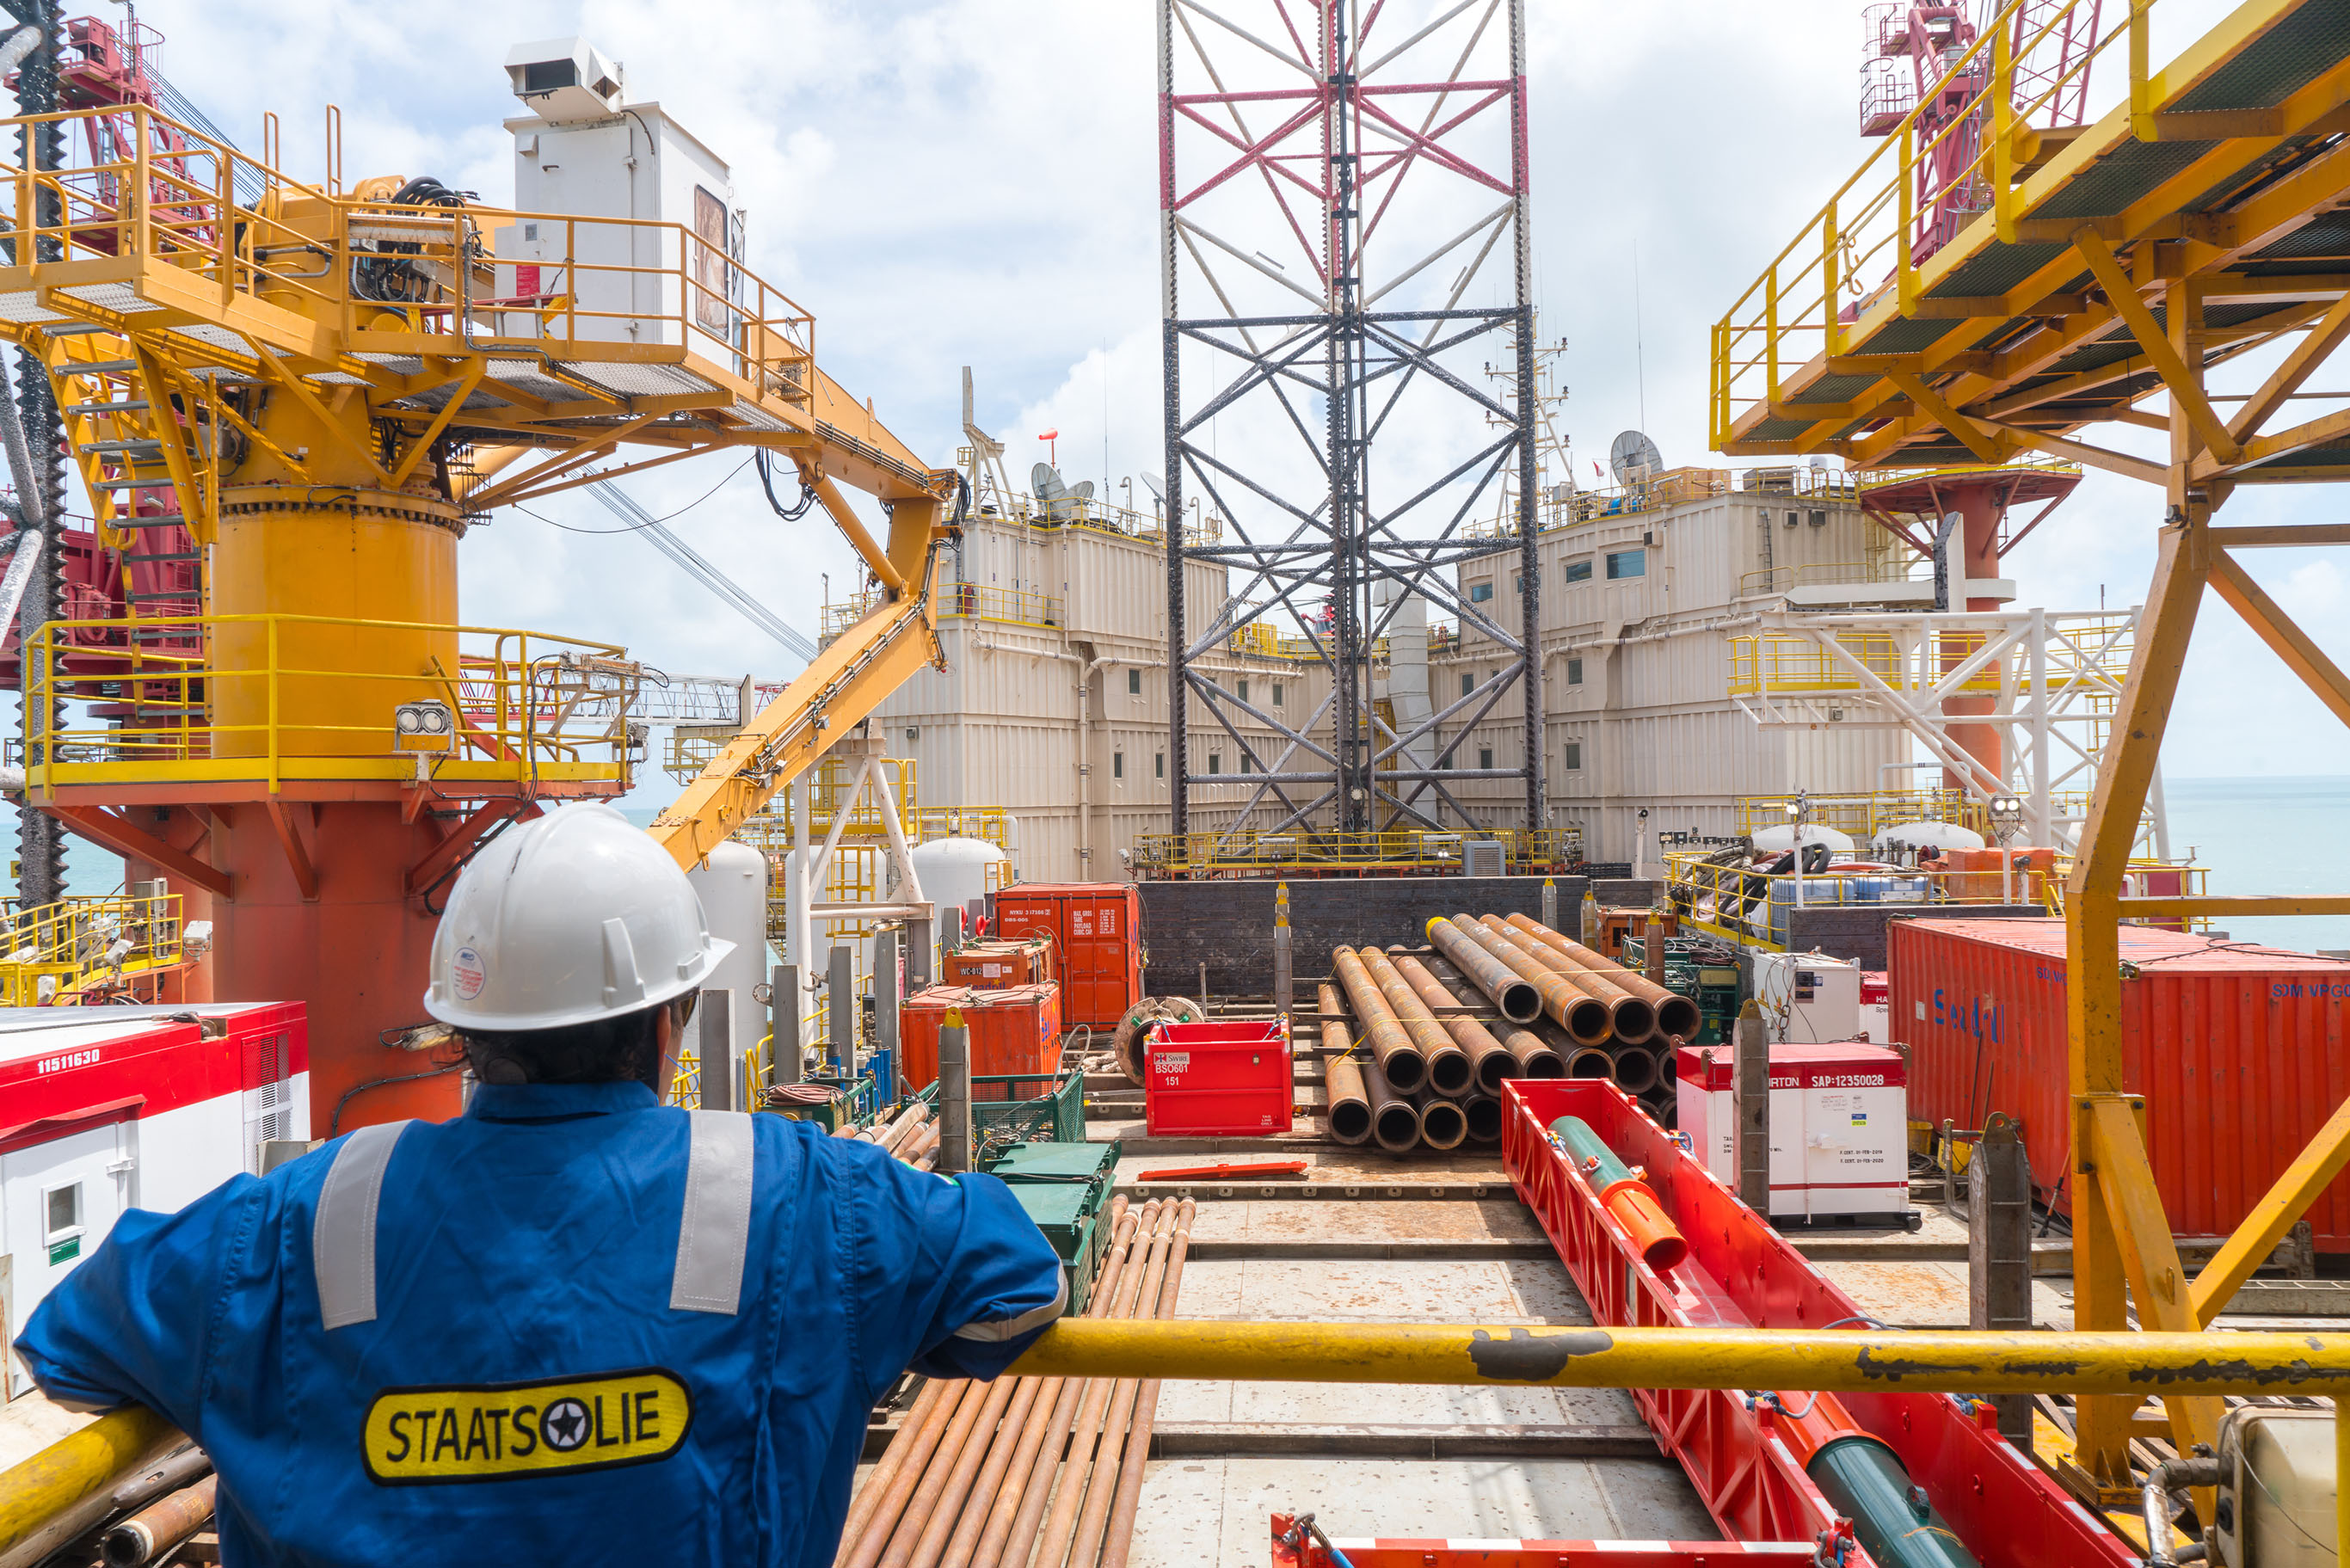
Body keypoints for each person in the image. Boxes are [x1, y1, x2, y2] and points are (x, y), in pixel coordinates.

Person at [15, 803, 1066, 1567]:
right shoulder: (803, 1197)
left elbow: (67, 1343)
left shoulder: (300, 1216)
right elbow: (1017, 1284)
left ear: (461, 1028)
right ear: (670, 1019)